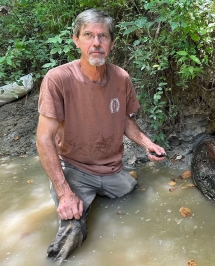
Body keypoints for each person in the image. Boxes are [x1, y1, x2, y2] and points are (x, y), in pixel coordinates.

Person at [36, 8, 166, 262]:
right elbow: (44, 139)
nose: (96, 42)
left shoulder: (121, 77)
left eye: (103, 36)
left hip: (111, 169)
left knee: (132, 193)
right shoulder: (58, 79)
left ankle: (94, 194)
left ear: (112, 43)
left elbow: (125, 121)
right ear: (76, 40)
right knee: (72, 230)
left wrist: (147, 143)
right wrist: (64, 192)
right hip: (74, 168)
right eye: (88, 35)